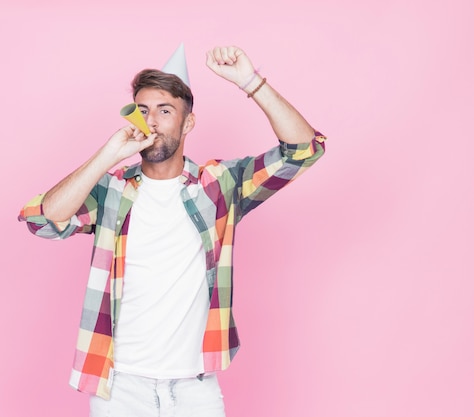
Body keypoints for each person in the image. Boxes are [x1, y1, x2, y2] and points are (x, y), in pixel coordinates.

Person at [18, 45, 326, 417]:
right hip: (119, 386)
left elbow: (303, 150)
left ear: (188, 123)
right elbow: (43, 221)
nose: (152, 122)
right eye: (142, 111)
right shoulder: (111, 190)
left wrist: (250, 81)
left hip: (194, 387)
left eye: (165, 111)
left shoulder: (219, 185)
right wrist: (108, 156)